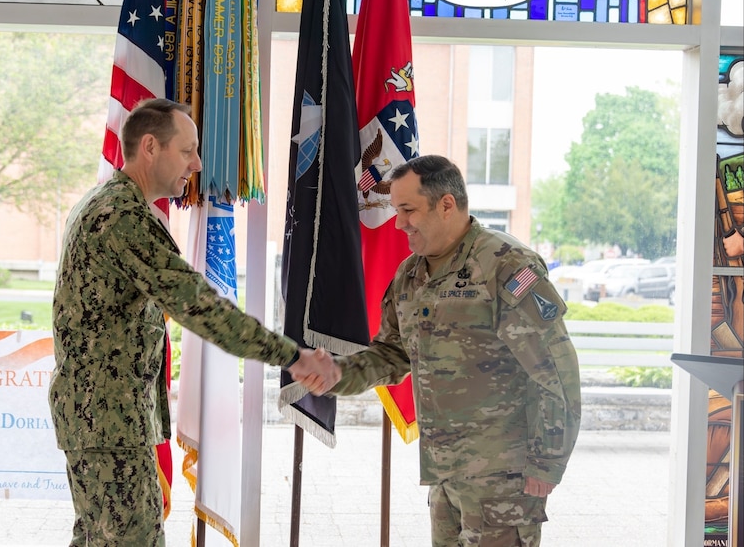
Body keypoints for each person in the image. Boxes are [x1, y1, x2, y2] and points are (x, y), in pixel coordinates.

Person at [48, 98, 325, 546]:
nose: (196, 164)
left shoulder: (108, 203)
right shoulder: (121, 217)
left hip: (103, 419)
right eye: (188, 150)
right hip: (108, 424)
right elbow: (199, 306)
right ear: (151, 147)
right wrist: (291, 355)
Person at [291, 154, 581, 547]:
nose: (399, 223)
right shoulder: (411, 273)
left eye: (408, 210)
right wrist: (338, 374)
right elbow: (391, 354)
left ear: (446, 204)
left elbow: (556, 371)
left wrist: (548, 462)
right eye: (396, 210)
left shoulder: (506, 266)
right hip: (444, 475)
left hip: (502, 480)